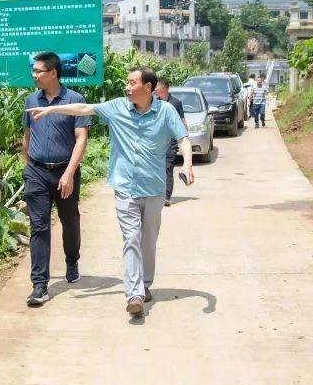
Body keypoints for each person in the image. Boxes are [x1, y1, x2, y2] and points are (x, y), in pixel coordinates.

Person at [28, 67, 193, 318]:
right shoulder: (117, 107)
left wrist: (188, 165)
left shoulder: (166, 111)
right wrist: (52, 109)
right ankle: (134, 293)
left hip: (154, 188)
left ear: (147, 88)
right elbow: (85, 109)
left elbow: (183, 139)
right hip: (125, 186)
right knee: (131, 239)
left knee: (148, 240)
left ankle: (145, 283)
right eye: (127, 82)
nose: (126, 87)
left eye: (131, 82)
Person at [21, 52, 90, 307]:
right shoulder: (30, 100)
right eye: (34, 71)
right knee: (39, 226)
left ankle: (72, 260)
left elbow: (81, 137)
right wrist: (28, 168)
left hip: (65, 171)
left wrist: (70, 172)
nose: (34, 75)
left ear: (53, 73)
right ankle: (39, 285)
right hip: (37, 172)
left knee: (69, 221)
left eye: (38, 71)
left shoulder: (74, 100)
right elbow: (26, 137)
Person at [154, 78, 187, 206]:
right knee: (157, 168)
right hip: (156, 141)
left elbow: (183, 121)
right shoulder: (154, 103)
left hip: (171, 141)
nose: (155, 90)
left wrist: (184, 140)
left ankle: (166, 197)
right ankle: (156, 194)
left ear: (164, 88)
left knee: (168, 168)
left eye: (157, 87)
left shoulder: (176, 103)